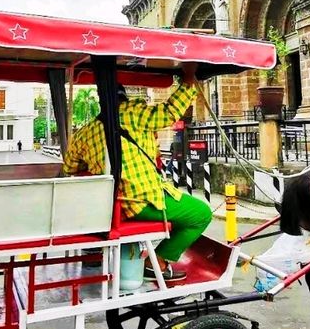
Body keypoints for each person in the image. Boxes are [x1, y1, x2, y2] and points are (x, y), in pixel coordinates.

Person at [62, 64, 211, 282]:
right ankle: (157, 261)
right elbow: (169, 113)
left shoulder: (84, 133)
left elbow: (69, 169)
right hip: (140, 200)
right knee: (201, 214)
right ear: (124, 98)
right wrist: (189, 79)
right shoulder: (133, 113)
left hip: (109, 206)